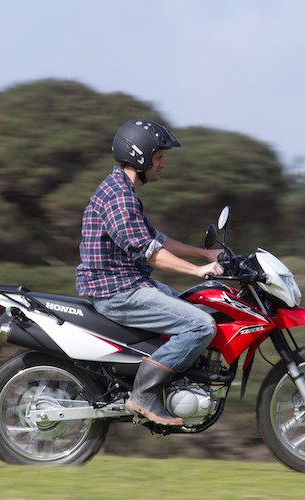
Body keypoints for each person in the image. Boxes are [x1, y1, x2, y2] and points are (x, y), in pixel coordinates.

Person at [76, 119, 224, 426]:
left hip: (130, 285)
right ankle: (144, 393)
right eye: (159, 158)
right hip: (119, 293)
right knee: (201, 326)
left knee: (201, 308)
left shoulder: (123, 191)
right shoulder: (119, 197)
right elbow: (149, 251)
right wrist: (198, 271)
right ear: (140, 158)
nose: (163, 165)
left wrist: (204, 253)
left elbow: (157, 239)